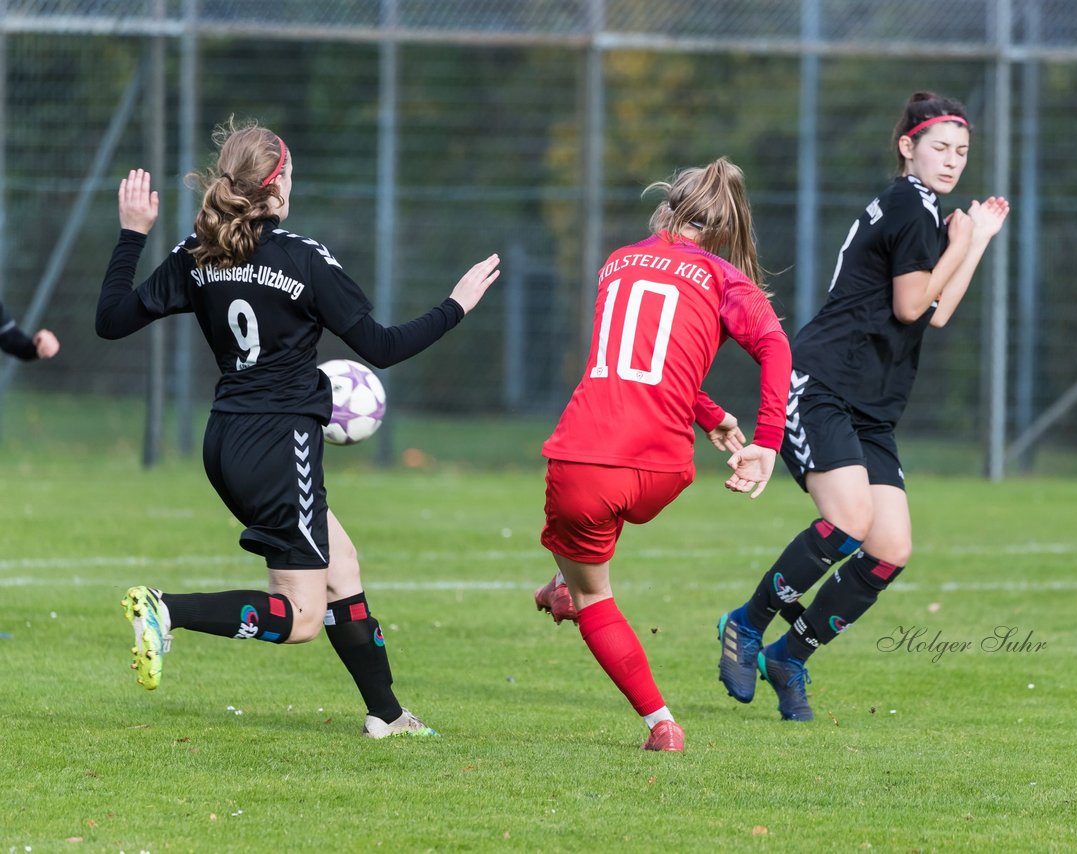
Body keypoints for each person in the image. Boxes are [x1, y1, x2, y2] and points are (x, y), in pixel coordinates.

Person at [96, 118, 501, 738]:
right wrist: (456, 307)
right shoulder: (304, 260)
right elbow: (382, 348)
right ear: (278, 183)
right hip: (280, 446)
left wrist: (132, 236)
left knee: (343, 567)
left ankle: (388, 715)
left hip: (225, 442)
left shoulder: (196, 253)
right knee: (302, 617)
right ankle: (166, 610)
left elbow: (111, 320)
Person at [716, 91, 1010, 721]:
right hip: (824, 383)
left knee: (890, 548)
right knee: (849, 521)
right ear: (908, 147)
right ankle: (745, 624)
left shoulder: (928, 213)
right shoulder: (910, 202)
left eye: (962, 151)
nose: (953, 160)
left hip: (872, 407)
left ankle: (787, 656)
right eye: (940, 148)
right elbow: (910, 306)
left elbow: (937, 311)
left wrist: (975, 239)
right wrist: (963, 240)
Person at [533, 157, 791, 753]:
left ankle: (662, 725)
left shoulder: (617, 262)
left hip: (586, 459)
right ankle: (562, 581)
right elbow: (775, 347)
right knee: (592, 536)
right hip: (664, 470)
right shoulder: (723, 277)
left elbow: (630, 364)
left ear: (666, 207)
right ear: (725, 229)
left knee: (595, 593)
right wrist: (759, 439)